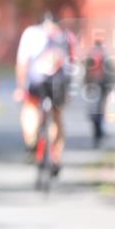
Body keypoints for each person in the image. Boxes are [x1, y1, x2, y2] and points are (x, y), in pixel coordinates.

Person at [14, 12, 76, 176]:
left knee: (30, 107)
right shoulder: (66, 36)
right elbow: (72, 66)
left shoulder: (31, 34)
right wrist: (69, 91)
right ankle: (56, 158)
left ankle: (31, 141)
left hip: (37, 81)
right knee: (57, 116)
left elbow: (22, 63)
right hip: (59, 83)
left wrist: (20, 88)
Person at [83, 38, 113, 148]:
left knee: (93, 108)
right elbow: (109, 71)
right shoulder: (104, 55)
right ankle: (99, 130)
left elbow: (86, 70)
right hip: (102, 84)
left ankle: (97, 129)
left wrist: (86, 84)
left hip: (92, 84)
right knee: (100, 108)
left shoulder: (91, 54)